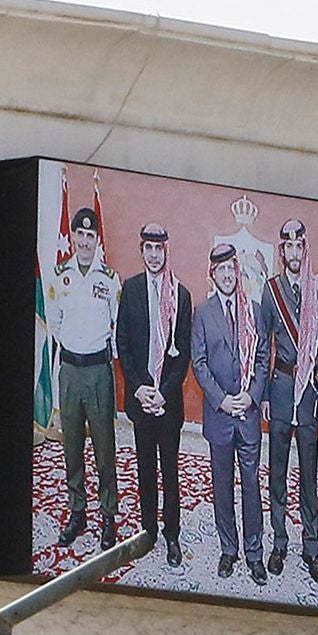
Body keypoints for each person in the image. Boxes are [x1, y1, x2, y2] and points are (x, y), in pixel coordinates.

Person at [258, 217, 318, 580]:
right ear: (281, 250)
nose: (293, 251)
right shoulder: (271, 291)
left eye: (298, 245)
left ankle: (311, 547)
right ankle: (279, 543)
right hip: (282, 390)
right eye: (287, 245)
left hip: (310, 396)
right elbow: (262, 345)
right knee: (278, 475)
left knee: (309, 479)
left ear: (305, 248)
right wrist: (267, 395)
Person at [49, 205, 125, 555]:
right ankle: (77, 512)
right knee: (72, 447)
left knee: (104, 449)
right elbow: (55, 323)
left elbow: (116, 326)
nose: (83, 241)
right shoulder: (60, 274)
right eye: (78, 234)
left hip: (97, 372)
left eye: (89, 235)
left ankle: (108, 514)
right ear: (74, 238)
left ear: (97, 240)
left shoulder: (109, 280)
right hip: (69, 371)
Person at [115, 222, 193, 559]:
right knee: (145, 467)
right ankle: (148, 531)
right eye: (148, 248)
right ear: (141, 250)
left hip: (167, 401)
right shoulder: (130, 289)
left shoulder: (181, 294)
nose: (154, 255)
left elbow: (184, 352)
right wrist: (139, 388)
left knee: (170, 469)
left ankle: (171, 534)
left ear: (166, 250)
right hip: (141, 398)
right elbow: (123, 345)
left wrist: (163, 391)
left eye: (159, 249)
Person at [192, 242, 267, 579]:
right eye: (220, 269)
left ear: (238, 271)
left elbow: (264, 358)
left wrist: (251, 396)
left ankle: (254, 553)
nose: (227, 274)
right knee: (222, 485)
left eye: (231, 268)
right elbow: (200, 362)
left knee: (251, 484)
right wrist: (222, 399)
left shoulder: (253, 309)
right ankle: (229, 550)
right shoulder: (202, 313)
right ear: (213, 273)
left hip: (248, 416)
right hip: (220, 416)